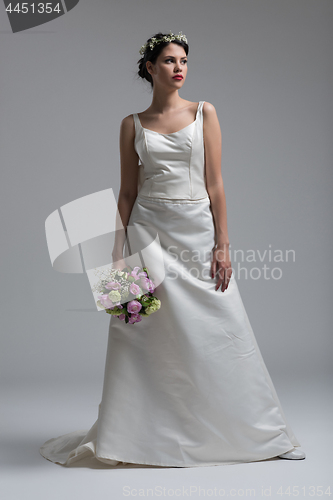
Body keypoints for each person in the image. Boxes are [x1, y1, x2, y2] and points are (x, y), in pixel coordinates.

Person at [39, 31, 305, 467]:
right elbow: (127, 192)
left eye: (183, 60)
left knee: (223, 329)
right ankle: (131, 439)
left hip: (196, 233)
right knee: (139, 332)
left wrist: (223, 244)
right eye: (168, 60)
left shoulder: (205, 113)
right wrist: (117, 248)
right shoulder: (131, 124)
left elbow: (215, 184)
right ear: (150, 68)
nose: (178, 68)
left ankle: (265, 434)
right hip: (147, 234)